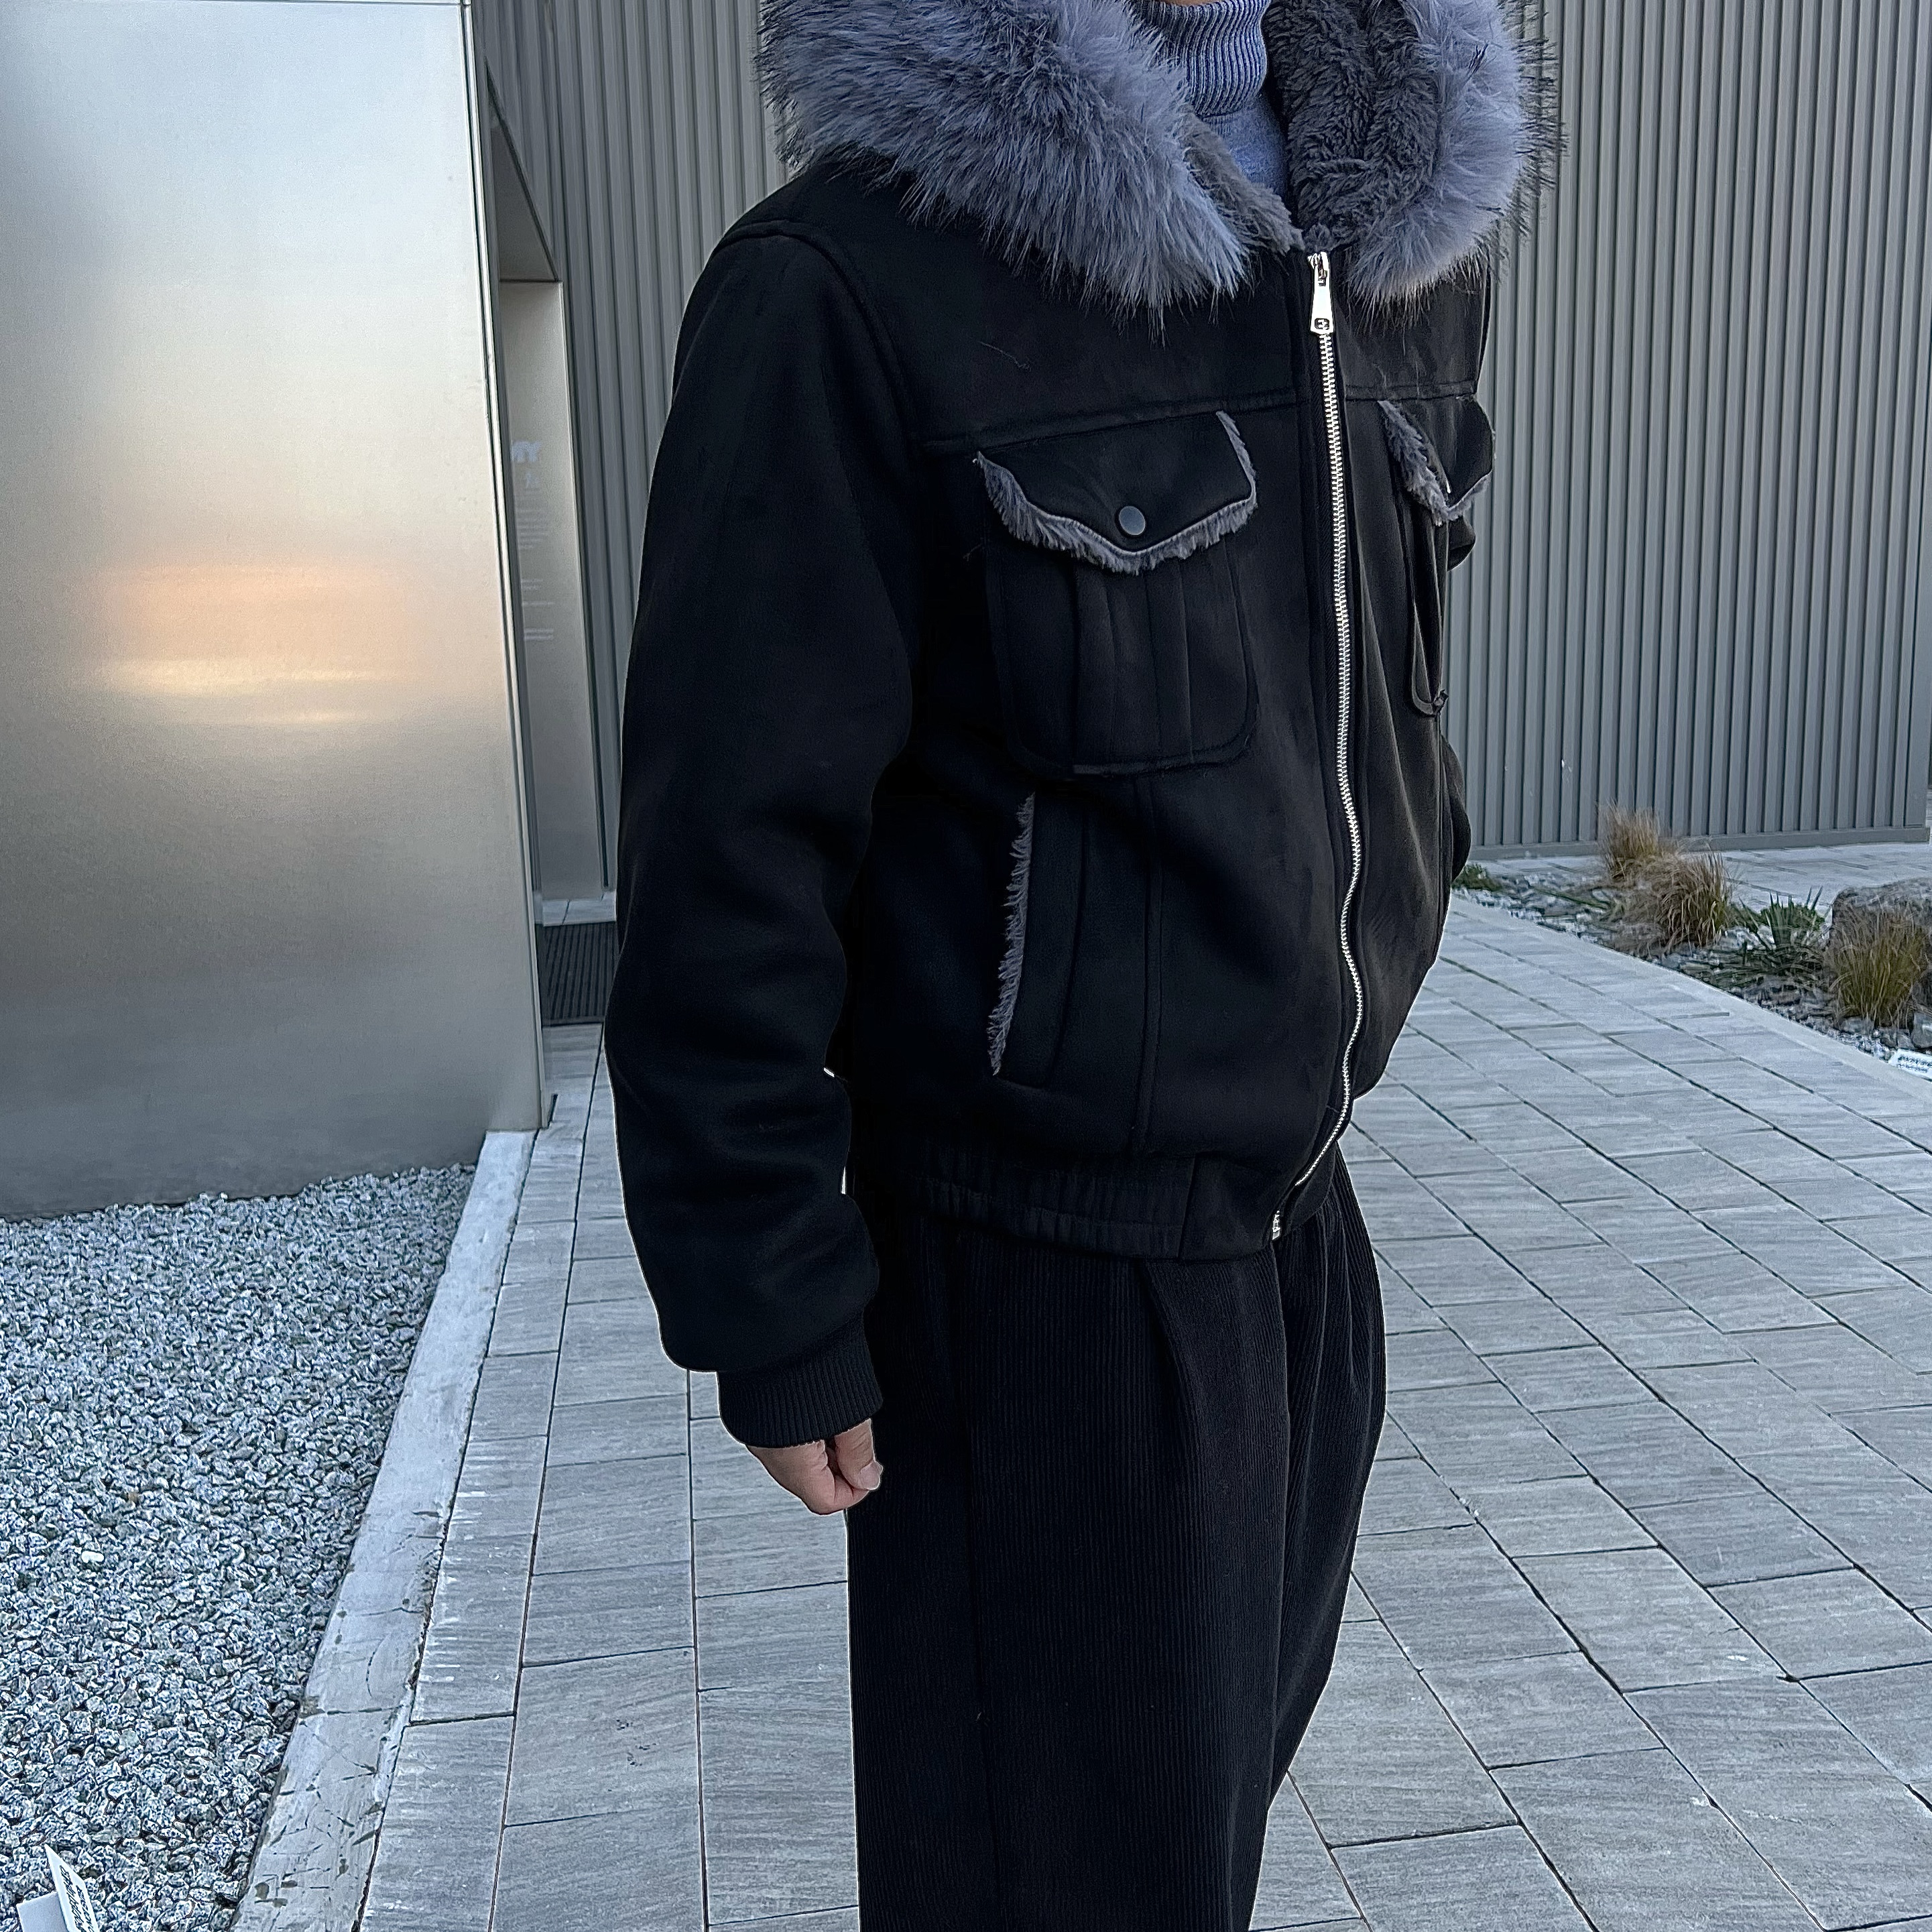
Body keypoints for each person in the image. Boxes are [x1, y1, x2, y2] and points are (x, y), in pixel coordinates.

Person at [607, 1, 1543, 1925]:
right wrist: (769, 1290)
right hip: (1033, 1291)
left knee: (1187, 1857)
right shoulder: (850, 281)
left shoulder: (1390, 255)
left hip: (1299, 1246)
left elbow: (1392, 693)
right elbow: (728, 844)